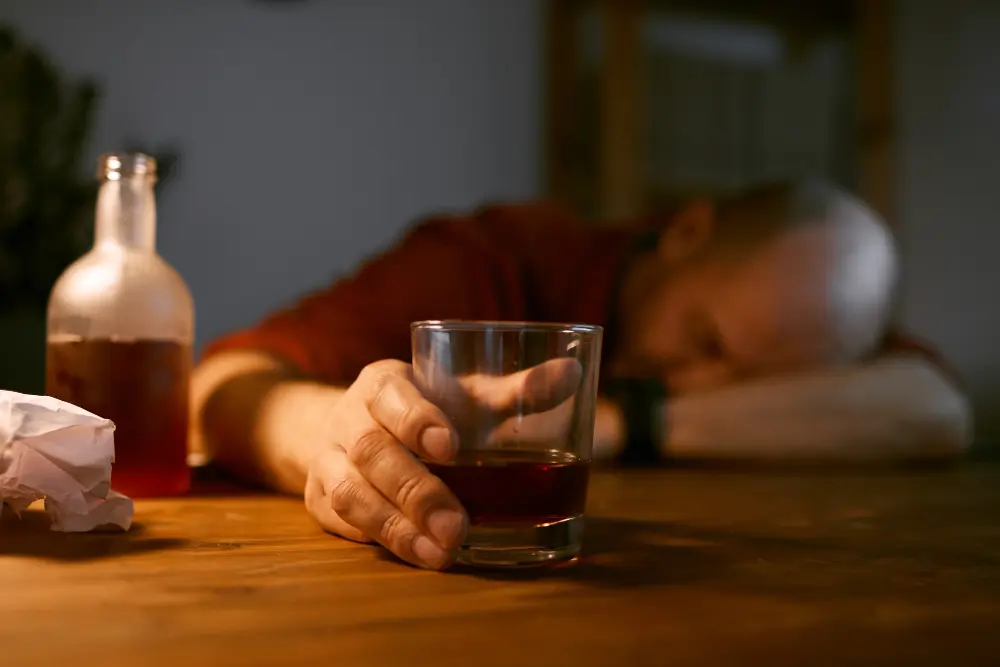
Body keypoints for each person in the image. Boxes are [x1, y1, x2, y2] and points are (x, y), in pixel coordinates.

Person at [191, 179, 971, 570]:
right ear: (687, 230)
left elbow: (937, 408)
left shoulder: (802, 311)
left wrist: (627, 419)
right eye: (704, 338)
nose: (704, 380)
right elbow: (222, 381)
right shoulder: (499, 260)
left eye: (753, 383)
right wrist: (334, 435)